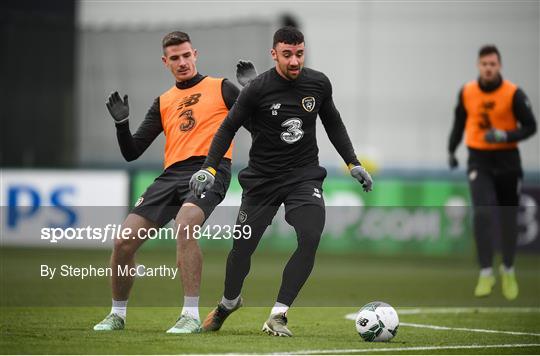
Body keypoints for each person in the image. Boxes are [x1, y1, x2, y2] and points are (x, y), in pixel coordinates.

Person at [190, 26, 373, 337]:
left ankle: (278, 315)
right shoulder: (258, 89)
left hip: (303, 175)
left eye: (299, 54)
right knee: (242, 251)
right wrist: (209, 169)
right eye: (287, 54)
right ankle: (228, 302)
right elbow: (227, 128)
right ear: (274, 54)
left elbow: (333, 123)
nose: (294, 60)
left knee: (311, 235)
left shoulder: (318, 83)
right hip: (262, 180)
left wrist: (352, 162)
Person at [93, 31, 256, 333]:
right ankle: (117, 315)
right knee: (123, 242)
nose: (182, 62)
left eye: (186, 55)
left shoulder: (221, 88)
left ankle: (190, 316)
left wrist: (252, 90)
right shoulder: (164, 101)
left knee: (186, 223)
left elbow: (257, 125)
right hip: (171, 176)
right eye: (175, 58)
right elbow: (132, 151)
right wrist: (121, 124)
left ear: (195, 54)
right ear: (165, 62)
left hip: (210, 169)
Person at [448, 45, 537, 300]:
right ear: (478, 65)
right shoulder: (467, 92)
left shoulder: (513, 94)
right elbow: (458, 123)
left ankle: (507, 268)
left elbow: (531, 126)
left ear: (499, 66)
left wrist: (506, 135)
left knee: (509, 219)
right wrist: (452, 150)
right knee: (483, 213)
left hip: (508, 160)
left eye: (493, 64)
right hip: (479, 159)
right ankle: (486, 271)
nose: (488, 68)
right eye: (484, 64)